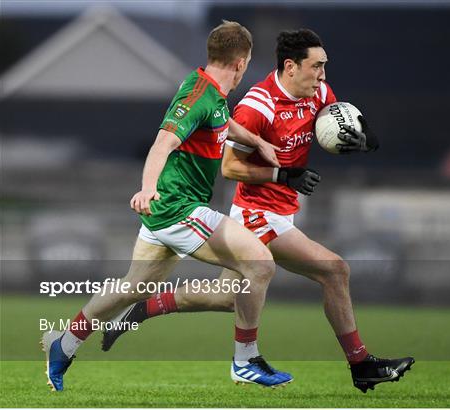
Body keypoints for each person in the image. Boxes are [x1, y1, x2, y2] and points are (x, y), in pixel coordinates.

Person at [101, 29, 414, 393]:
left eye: (325, 66)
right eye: (317, 66)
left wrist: (363, 135)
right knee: (334, 270)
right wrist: (282, 175)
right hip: (255, 212)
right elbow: (230, 167)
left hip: (283, 210)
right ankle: (360, 364)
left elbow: (338, 120)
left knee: (225, 298)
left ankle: (143, 308)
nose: (323, 75)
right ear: (290, 66)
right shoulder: (256, 106)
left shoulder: (319, 94)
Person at [41, 20, 294, 392]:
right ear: (241, 63)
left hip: (171, 211)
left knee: (133, 287)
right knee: (259, 264)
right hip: (177, 208)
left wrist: (256, 139)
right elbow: (162, 144)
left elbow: (222, 123)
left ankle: (64, 344)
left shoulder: (210, 90)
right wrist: (146, 189)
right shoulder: (196, 97)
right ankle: (245, 361)